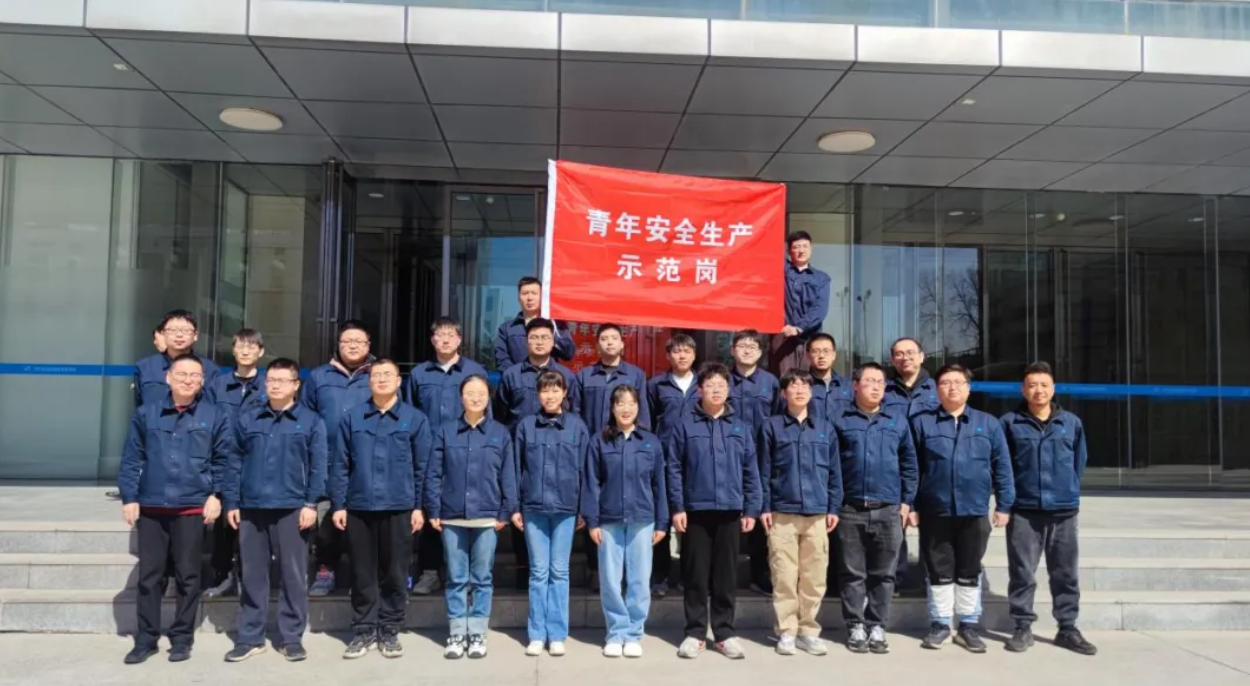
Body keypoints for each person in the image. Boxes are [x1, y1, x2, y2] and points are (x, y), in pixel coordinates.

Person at [117, 354, 234, 665]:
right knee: (150, 576)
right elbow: (132, 458)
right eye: (182, 374)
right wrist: (129, 497)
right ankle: (146, 639)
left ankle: (182, 638)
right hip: (152, 506)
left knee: (188, 576)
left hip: (191, 507)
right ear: (168, 378)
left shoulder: (214, 415)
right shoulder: (147, 413)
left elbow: (223, 460)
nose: (188, 380)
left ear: (202, 381)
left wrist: (216, 495)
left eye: (195, 375)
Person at [222, 358, 326, 663]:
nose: (276, 385)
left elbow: (318, 466)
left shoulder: (311, 421)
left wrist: (311, 503)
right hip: (252, 508)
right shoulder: (248, 419)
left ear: (296, 385)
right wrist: (232, 501)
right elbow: (233, 462)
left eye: (283, 380)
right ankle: (250, 637)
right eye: (271, 380)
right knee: (252, 574)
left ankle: (291, 637)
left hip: (292, 508)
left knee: (292, 575)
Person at [329, 359, 432, 660]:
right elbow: (340, 464)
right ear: (369, 381)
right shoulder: (353, 418)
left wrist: (419, 507)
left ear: (399, 381)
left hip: (400, 506)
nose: (382, 379)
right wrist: (338, 504)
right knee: (362, 571)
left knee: (395, 572)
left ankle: (389, 628)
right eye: (376, 375)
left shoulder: (414, 419)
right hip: (359, 505)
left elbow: (423, 468)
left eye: (388, 375)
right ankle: (364, 629)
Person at [910, 364, 1015, 653]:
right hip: (935, 509)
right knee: (939, 570)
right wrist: (911, 504)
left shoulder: (988, 424)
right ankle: (940, 624)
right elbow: (912, 468)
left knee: (969, 569)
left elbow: (1002, 467)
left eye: (958, 382)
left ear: (968, 388)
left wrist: (1004, 505)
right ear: (937, 389)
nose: (952, 387)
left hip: (974, 509)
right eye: (945, 383)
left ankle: (968, 626)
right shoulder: (922, 423)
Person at [1000, 362, 1097, 656]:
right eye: (1032, 385)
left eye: (1044, 385)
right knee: (1022, 573)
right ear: (1023, 389)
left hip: (1063, 511)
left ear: (1053, 388)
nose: (1038, 390)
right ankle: (1022, 626)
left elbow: (1079, 462)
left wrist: (1068, 491)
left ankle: (1067, 628)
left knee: (1065, 573)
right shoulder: (1009, 423)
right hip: (1024, 511)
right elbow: (1003, 467)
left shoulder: (1071, 423)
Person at [668, 362, 762, 660]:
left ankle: (724, 633)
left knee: (725, 576)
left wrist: (752, 509)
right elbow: (674, 469)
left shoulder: (740, 427)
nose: (716, 390)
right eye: (710, 385)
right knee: (695, 574)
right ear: (700, 390)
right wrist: (677, 507)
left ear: (728, 389)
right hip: (695, 511)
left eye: (721, 385)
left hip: (730, 510)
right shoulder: (685, 425)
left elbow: (751, 470)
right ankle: (695, 633)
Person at [426, 375, 518, 660]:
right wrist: (433, 509)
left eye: (481, 393)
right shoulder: (446, 431)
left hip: (487, 517)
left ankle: (477, 632)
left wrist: (506, 510)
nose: (476, 398)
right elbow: (433, 473)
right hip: (452, 516)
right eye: (470, 393)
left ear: (488, 398)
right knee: (455, 577)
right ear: (461, 397)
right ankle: (457, 632)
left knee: (482, 578)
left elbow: (508, 475)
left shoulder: (500, 433)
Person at [832, 362, 918, 655]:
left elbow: (909, 464)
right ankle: (855, 624)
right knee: (852, 572)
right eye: (869, 381)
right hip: (850, 508)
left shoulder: (897, 422)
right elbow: (831, 466)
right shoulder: (840, 420)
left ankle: (877, 624)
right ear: (855, 386)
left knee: (884, 574)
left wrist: (906, 502)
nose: (876, 387)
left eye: (880, 382)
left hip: (888, 509)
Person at [758, 369, 842, 657]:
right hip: (782, 512)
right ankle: (786, 631)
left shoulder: (825, 428)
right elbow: (763, 470)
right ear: (784, 393)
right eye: (793, 386)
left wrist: (833, 507)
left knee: (814, 576)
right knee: (784, 575)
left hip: (817, 513)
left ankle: (808, 631)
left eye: (804, 386)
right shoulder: (771, 427)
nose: (799, 390)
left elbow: (834, 472)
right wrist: (764, 505)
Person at [405, 317, 488, 597]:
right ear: (432, 340)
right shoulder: (419, 374)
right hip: (429, 451)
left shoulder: (475, 371)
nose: (445, 339)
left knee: (466, 511)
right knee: (431, 508)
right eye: (439, 334)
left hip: (465, 451)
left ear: (459, 339)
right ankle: (430, 572)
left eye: (450, 334)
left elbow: (485, 410)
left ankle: (468, 575)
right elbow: (410, 413)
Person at [496, 318, 579, 590]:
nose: (540, 342)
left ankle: (548, 577)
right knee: (523, 510)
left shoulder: (566, 376)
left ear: (553, 342)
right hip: (521, 450)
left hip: (558, 455)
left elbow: (575, 415)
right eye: (534, 337)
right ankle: (524, 569)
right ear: (526, 341)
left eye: (545, 337)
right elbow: (501, 413)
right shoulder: (511, 375)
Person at [584, 385, 667, 658]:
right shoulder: (599, 441)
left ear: (638, 407)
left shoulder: (650, 442)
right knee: (610, 579)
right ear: (612, 407)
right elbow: (592, 483)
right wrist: (592, 521)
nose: (626, 408)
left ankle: (633, 633)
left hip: (642, 519)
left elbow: (659, 484)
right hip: (608, 519)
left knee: (639, 579)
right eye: (620, 403)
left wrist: (662, 523)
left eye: (631, 403)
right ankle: (616, 632)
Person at [513, 370, 591, 657]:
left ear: (564, 392)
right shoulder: (526, 426)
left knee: (559, 571)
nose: (550, 395)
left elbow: (586, 470)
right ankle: (536, 634)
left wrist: (584, 508)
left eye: (555, 389)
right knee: (538, 572)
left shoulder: (576, 426)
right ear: (538, 394)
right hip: (533, 507)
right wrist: (515, 507)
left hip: (566, 509)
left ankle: (557, 633)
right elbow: (516, 468)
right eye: (545, 390)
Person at [572, 323, 648, 593]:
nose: (609, 342)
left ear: (622, 343)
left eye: (614, 338)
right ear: (597, 344)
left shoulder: (636, 375)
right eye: (604, 338)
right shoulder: (584, 376)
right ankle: (596, 568)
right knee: (595, 504)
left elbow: (644, 416)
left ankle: (627, 573)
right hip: (594, 450)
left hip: (627, 449)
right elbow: (576, 415)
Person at [304, 320, 376, 597]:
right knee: (326, 519)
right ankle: (326, 568)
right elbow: (307, 415)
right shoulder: (319, 376)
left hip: (365, 460)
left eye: (359, 341)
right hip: (328, 459)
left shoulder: (378, 374)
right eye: (347, 341)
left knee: (362, 522)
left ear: (368, 345)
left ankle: (362, 576)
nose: (353, 346)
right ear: (338, 344)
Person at [203, 328, 268, 600]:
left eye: (251, 346)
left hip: (256, 464)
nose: (245, 351)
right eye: (240, 346)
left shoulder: (268, 385)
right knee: (222, 526)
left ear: (260, 352)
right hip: (223, 462)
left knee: (251, 526)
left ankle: (247, 579)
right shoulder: (216, 385)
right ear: (233, 350)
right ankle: (222, 576)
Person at [645, 333, 699, 597]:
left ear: (694, 354)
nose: (682, 355)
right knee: (663, 516)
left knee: (693, 519)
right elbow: (648, 421)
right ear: (668, 355)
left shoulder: (703, 384)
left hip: (697, 461)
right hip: (665, 459)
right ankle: (660, 575)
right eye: (676, 351)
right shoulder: (656, 385)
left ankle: (690, 576)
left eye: (687, 351)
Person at [883, 336, 937, 590]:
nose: (905, 358)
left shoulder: (936, 389)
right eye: (899, 354)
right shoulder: (885, 390)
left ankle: (931, 578)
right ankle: (897, 580)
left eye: (910, 352)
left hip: (931, 465)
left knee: (932, 526)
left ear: (921, 357)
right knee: (896, 524)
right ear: (892, 359)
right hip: (895, 465)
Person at [729, 329, 779, 597]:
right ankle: (723, 576)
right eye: (742, 345)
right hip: (727, 456)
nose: (747, 350)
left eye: (753, 346)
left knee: (760, 514)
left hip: (761, 456)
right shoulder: (722, 380)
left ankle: (760, 576)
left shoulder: (770, 383)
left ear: (761, 352)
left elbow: (779, 418)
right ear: (732, 350)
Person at [770, 231, 830, 374]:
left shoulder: (821, 278)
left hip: (809, 338)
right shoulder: (781, 270)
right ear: (788, 251)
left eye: (805, 246)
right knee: (784, 379)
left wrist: (799, 327)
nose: (801, 251)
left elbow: (820, 309)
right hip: (783, 337)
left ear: (811, 249)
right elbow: (769, 251)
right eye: (796, 247)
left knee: (808, 380)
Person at [133, 310, 219, 407]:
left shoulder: (210, 368)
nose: (179, 335)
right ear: (163, 334)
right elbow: (140, 405)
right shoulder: (145, 366)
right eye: (172, 330)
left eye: (186, 330)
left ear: (195, 335)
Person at [493, 276, 575, 368]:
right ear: (518, 297)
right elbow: (501, 359)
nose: (529, 298)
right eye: (525, 293)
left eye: (534, 293)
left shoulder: (555, 324)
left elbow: (569, 353)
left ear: (542, 297)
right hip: (518, 376)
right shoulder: (507, 329)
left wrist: (552, 333)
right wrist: (516, 374)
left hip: (548, 376)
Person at [805, 333, 853, 423]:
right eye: (816, 351)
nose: (821, 356)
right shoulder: (802, 386)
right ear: (808, 356)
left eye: (826, 351)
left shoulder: (848, 385)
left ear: (834, 355)